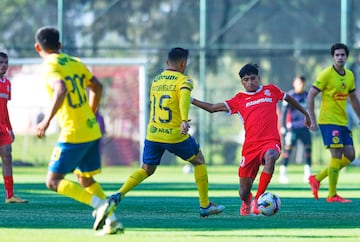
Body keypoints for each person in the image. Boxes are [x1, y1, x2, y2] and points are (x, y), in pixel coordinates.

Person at [93, 47, 225, 229]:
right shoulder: (184, 80)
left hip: (153, 133)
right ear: (183, 63)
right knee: (199, 160)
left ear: (166, 62)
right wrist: (184, 120)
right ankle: (205, 205)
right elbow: (184, 98)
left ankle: (118, 195)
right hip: (174, 134)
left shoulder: (156, 80)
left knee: (147, 169)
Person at [34, 26, 123, 235]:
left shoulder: (49, 65)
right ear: (60, 45)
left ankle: (100, 206)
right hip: (91, 129)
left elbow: (61, 89)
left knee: (53, 181)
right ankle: (112, 219)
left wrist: (46, 121)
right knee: (85, 178)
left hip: (74, 132)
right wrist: (90, 113)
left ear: (38, 47)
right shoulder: (75, 62)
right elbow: (98, 87)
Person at [191, 63, 311, 216]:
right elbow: (213, 108)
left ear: (259, 78)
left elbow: (289, 98)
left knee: (271, 156)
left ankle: (258, 199)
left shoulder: (271, 90)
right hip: (250, 148)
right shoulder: (239, 100)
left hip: (270, 141)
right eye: (246, 80)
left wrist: (306, 114)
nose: (249, 82)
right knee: (243, 192)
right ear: (242, 82)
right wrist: (191, 100)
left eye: (252, 78)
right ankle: (248, 201)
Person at [307, 43, 360, 203]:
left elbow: (353, 99)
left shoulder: (349, 75)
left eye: (342, 55)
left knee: (350, 156)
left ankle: (318, 178)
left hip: (342, 121)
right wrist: (312, 119)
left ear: (346, 57)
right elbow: (310, 95)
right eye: (337, 55)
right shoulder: (326, 75)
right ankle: (332, 195)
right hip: (328, 121)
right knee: (336, 155)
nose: (340, 57)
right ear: (333, 57)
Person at [0, 52, 28, 204]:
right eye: (1, 62)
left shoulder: (7, 84)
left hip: (3, 127)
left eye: (5, 62)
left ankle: (9, 195)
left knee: (7, 156)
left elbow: (4, 108)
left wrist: (9, 128)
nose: (3, 65)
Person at [279, 76, 312, 183]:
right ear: (294, 84)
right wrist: (283, 127)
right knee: (288, 150)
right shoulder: (290, 96)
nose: (300, 85)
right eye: (298, 83)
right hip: (292, 128)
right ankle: (283, 172)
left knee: (308, 149)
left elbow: (311, 111)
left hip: (305, 127)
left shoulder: (307, 95)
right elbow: (284, 113)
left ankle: (308, 174)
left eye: (302, 83)